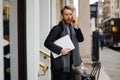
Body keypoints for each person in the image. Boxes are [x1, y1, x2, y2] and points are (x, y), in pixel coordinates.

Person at [44, 6, 84, 80]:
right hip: (60, 67)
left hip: (72, 67)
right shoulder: (57, 29)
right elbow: (47, 43)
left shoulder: (73, 28)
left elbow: (81, 39)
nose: (69, 17)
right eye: (66, 14)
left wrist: (75, 26)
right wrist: (60, 50)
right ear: (62, 15)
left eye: (70, 14)